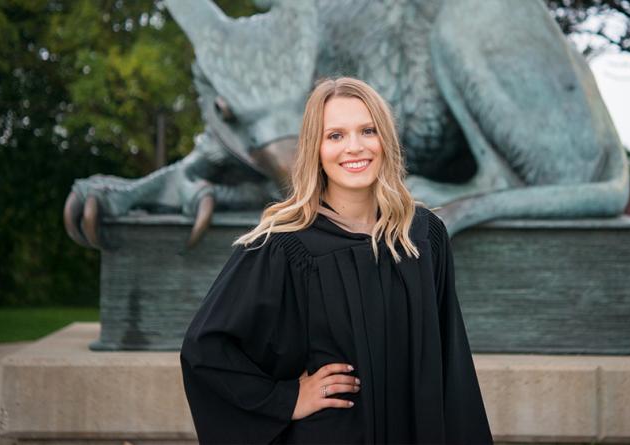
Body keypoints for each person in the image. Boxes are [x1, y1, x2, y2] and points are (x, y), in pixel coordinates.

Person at [180, 77, 493, 444]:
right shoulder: (285, 245)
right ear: (315, 148)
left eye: (367, 131)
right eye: (336, 136)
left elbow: (451, 361)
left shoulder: (423, 236)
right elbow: (205, 350)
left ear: (385, 141)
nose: (355, 148)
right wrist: (286, 399)